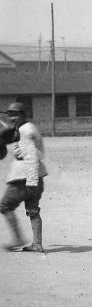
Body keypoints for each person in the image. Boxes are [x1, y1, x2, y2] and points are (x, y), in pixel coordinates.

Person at [1, 102, 48, 252]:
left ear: (23, 115)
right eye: (10, 115)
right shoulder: (28, 128)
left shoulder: (24, 131)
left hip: (24, 178)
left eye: (16, 114)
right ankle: (37, 243)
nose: (12, 118)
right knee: (33, 210)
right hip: (36, 176)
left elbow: (32, 156)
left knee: (5, 206)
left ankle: (18, 239)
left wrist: (31, 182)